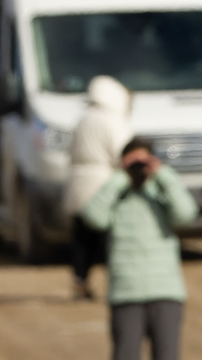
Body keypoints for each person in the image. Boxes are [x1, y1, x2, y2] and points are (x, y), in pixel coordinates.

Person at [81, 138, 199, 360]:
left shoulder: (161, 191)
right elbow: (92, 216)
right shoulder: (116, 195)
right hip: (126, 294)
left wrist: (161, 176)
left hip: (166, 292)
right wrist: (119, 178)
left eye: (143, 161)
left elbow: (186, 213)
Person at [62, 76, 132, 301]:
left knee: (82, 239)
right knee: (109, 239)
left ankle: (79, 283)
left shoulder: (83, 119)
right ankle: (117, 285)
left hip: (78, 182)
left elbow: (70, 151)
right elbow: (122, 154)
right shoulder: (112, 120)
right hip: (103, 184)